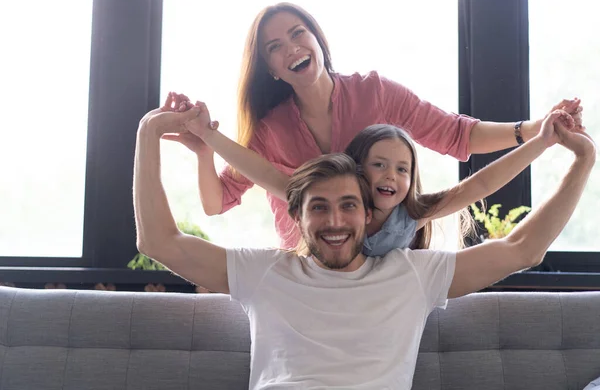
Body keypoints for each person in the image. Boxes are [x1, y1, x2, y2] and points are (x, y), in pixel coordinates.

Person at [134, 104, 595, 389]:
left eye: (348, 205)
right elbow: (160, 241)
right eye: (318, 208)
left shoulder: (411, 273)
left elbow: (522, 249)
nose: (335, 221)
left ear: (368, 208)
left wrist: (582, 158)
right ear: (296, 214)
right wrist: (149, 132)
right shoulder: (264, 272)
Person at [161, 2, 583, 249]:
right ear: (270, 68)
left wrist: (536, 131)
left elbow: (459, 137)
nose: (291, 48)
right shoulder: (271, 130)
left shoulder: (376, 94)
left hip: (383, 273)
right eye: (275, 47)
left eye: (297, 33)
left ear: (317, 39)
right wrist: (204, 148)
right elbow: (218, 202)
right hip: (310, 270)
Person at [162, 93, 576, 255]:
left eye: (402, 169)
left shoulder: (411, 214)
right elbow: (265, 172)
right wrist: (205, 135)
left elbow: (481, 184)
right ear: (359, 171)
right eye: (379, 164)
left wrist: (541, 141)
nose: (390, 175)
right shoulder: (333, 207)